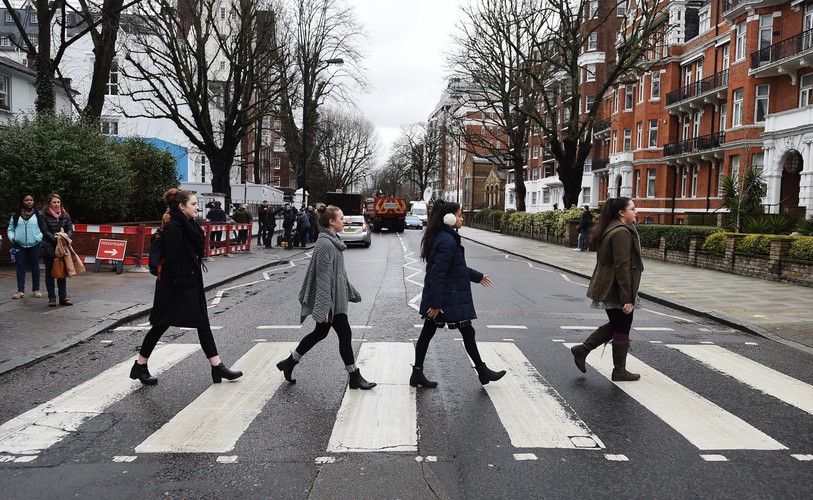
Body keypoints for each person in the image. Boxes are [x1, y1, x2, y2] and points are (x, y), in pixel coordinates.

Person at [130, 189, 243, 385]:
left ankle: (216, 367)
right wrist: (182, 286)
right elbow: (173, 260)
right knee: (161, 325)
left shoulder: (188, 224)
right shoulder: (174, 227)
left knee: (200, 323)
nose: (197, 207)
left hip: (188, 283)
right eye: (193, 204)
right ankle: (140, 365)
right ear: (182, 206)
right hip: (176, 286)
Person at [275, 205, 376, 390]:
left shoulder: (333, 242)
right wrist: (324, 305)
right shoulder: (324, 244)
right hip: (331, 302)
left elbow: (338, 274)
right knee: (344, 334)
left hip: (336, 298)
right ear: (331, 221)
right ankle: (354, 376)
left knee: (319, 333)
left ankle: (289, 362)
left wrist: (349, 290)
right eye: (341, 218)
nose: (344, 221)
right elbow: (322, 278)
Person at [411, 200, 506, 388]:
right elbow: (438, 274)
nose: (462, 219)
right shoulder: (447, 240)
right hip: (447, 298)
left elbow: (456, 268)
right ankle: (482, 371)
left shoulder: (445, 237)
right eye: (460, 215)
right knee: (464, 331)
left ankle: (418, 374)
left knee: (435, 332)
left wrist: (477, 277)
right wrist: (436, 304)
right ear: (449, 218)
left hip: (445, 296)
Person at [570, 197, 643, 382]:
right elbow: (622, 265)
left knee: (618, 324)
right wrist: (628, 297)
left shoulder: (611, 227)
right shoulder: (620, 233)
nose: (636, 212)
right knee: (623, 325)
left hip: (609, 284)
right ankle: (619, 371)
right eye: (633, 209)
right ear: (621, 213)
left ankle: (583, 350)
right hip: (616, 287)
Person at [38, 194, 73, 307]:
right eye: (54, 202)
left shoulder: (65, 215)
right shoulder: (43, 215)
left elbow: (70, 229)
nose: (57, 204)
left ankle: (63, 297)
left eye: (58, 202)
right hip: (49, 248)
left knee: (62, 273)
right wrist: (56, 240)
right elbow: (44, 230)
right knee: (50, 274)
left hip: (63, 248)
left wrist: (65, 239)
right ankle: (51, 298)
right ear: (49, 203)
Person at [7, 193, 43, 299]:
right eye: (26, 200)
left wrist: (38, 238)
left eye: (31, 200)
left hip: (34, 244)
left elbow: (43, 228)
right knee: (20, 266)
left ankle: (36, 290)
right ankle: (20, 291)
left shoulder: (38, 214)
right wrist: (13, 238)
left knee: (35, 266)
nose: (29, 202)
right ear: (22, 202)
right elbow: (10, 229)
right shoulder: (16, 215)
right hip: (19, 245)